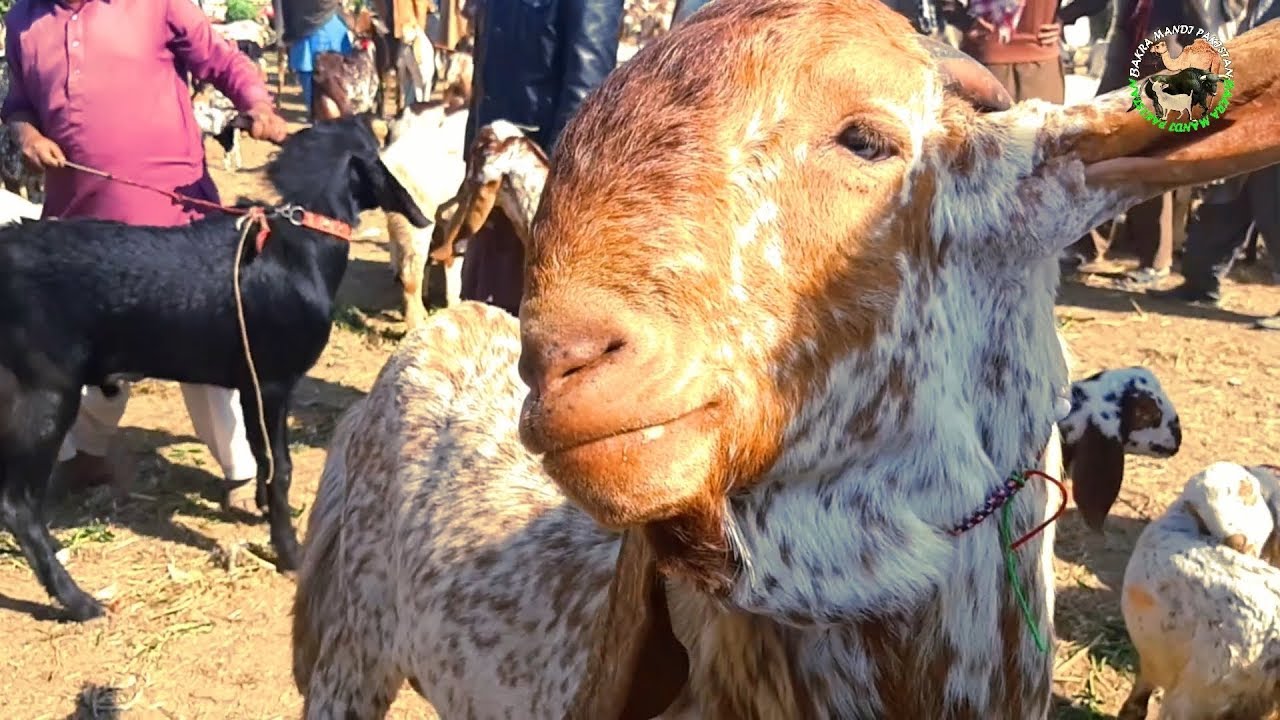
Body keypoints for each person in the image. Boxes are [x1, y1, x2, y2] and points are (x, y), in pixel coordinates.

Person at [2, 0, 288, 510]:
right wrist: (27, 134)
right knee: (85, 352)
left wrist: (258, 103)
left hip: (173, 218)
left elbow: (221, 59)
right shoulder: (23, 17)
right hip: (78, 226)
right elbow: (20, 103)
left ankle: (242, 472)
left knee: (199, 344)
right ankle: (85, 455)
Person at [459, 0, 625, 315]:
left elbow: (586, 84)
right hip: (494, 167)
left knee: (529, 310)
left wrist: (554, 187)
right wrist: (474, 157)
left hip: (537, 178)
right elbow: (487, 67)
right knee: (483, 307)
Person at [283, 0, 353, 120]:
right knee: (334, 89)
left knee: (328, 92)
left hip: (307, 27)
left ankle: (326, 123)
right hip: (317, 27)